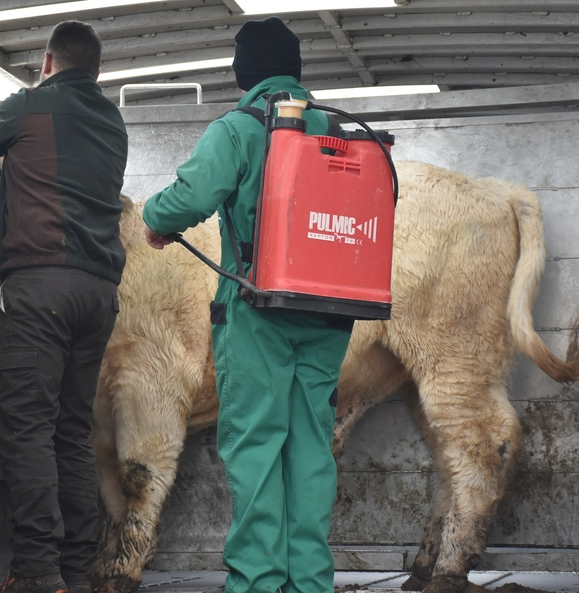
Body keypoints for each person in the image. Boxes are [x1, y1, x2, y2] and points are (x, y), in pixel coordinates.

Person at [142, 16, 353, 593]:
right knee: (311, 450)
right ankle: (310, 584)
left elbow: (190, 196)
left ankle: (258, 584)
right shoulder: (336, 131)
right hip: (329, 315)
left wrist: (154, 219)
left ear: (244, 73)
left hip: (258, 313)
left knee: (257, 446)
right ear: (297, 69)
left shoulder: (239, 127)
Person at [0, 20, 128, 593]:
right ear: (96, 71)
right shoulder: (113, 122)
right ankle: (74, 573)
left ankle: (35, 573)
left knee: (27, 429)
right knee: (71, 433)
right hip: (98, 294)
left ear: (48, 63)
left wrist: (17, 101)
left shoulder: (30, 105)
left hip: (42, 287)